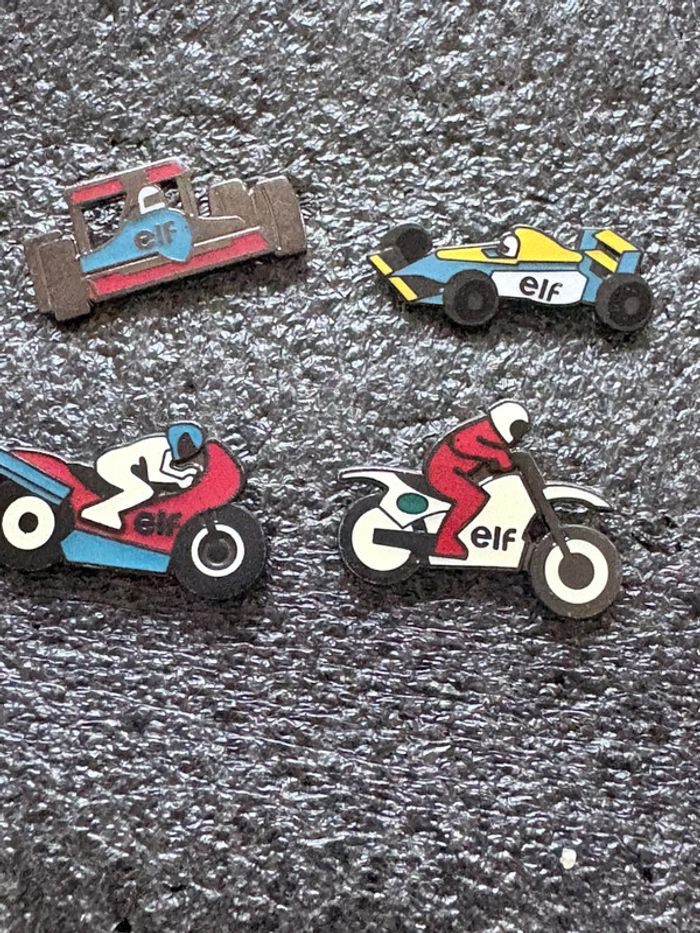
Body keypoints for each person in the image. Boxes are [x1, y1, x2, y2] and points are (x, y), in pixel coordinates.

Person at [425, 401, 530, 559]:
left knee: (478, 497)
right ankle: (445, 541)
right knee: (472, 498)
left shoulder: (492, 435)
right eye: (517, 428)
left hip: (454, 472)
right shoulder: (483, 428)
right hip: (443, 471)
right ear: (507, 422)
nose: (518, 435)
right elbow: (462, 444)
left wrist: (501, 457)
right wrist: (497, 455)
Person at [80, 423, 205, 531]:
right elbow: (155, 475)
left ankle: (105, 512)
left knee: (141, 491)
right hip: (111, 464)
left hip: (117, 465)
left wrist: (183, 474)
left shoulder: (167, 448)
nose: (188, 452)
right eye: (188, 447)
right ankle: (98, 512)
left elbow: (165, 469)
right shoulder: (159, 445)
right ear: (181, 440)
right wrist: (180, 479)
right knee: (143, 491)